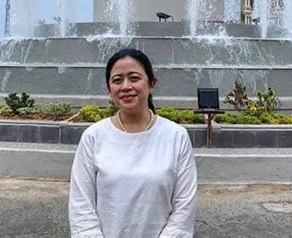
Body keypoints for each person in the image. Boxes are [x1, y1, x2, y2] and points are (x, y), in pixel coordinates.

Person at [69, 48, 197, 237]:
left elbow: (184, 206)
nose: (126, 86)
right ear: (108, 88)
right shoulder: (93, 137)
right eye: (117, 80)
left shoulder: (176, 136)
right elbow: (81, 206)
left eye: (134, 78)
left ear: (151, 84)